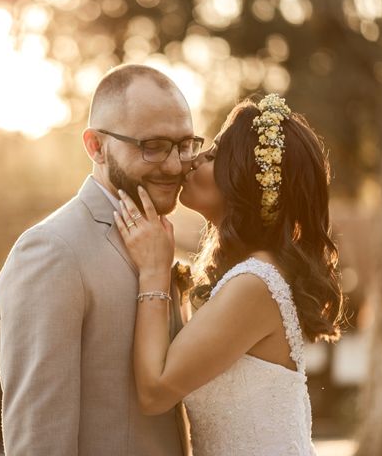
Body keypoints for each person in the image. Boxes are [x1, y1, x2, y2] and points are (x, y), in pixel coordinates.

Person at [114, 94, 344, 455]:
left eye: (215, 154)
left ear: (244, 180)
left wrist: (154, 272)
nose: (193, 159)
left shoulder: (257, 283)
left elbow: (155, 391)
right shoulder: (244, 276)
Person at [0, 64, 203, 455]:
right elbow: (39, 440)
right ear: (96, 146)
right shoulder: (51, 252)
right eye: (152, 146)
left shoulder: (161, 241)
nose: (175, 165)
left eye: (185, 144)